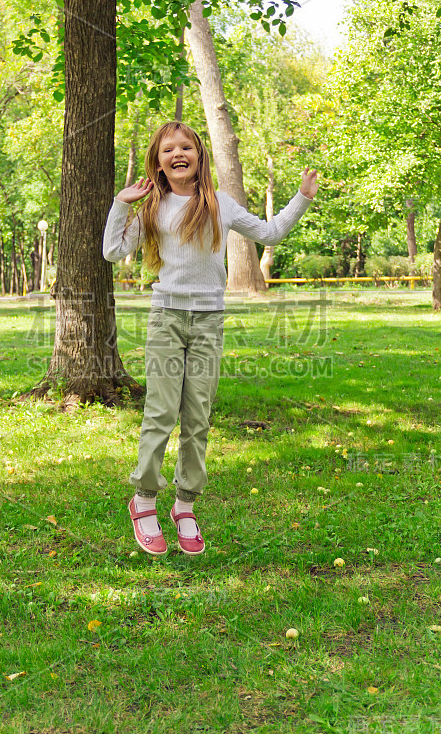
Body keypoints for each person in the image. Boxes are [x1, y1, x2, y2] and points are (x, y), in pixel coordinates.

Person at [103, 121, 318, 557]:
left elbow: (270, 232)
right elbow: (112, 251)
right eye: (168, 150)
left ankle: (185, 506)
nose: (178, 154)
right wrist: (121, 204)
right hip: (166, 319)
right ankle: (143, 501)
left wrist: (302, 199)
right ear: (158, 162)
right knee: (161, 412)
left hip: (208, 322)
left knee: (197, 417)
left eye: (186, 147)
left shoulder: (221, 204)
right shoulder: (151, 207)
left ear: (199, 156)